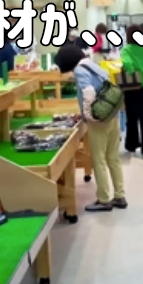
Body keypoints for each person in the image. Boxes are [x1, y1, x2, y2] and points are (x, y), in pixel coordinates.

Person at [55, 46, 126, 212]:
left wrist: (87, 115)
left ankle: (104, 199)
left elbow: (88, 91)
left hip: (99, 120)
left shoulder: (80, 70)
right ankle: (120, 195)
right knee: (113, 158)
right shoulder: (93, 65)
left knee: (98, 159)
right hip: (112, 114)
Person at [120, 23, 143, 161]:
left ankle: (132, 145)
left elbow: (127, 64)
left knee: (132, 117)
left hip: (133, 87)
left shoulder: (126, 49)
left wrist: (132, 72)